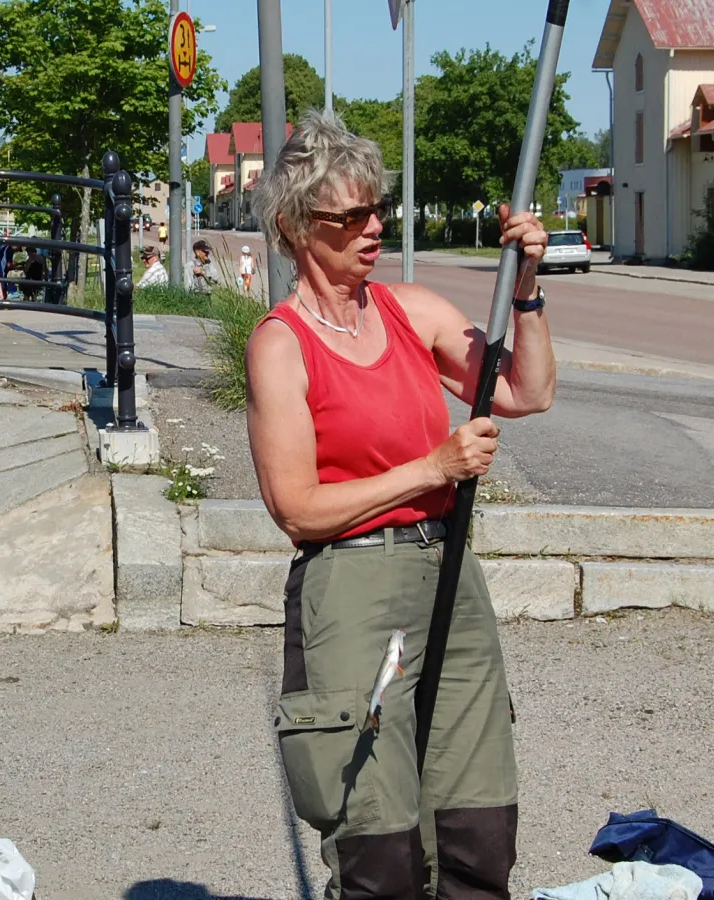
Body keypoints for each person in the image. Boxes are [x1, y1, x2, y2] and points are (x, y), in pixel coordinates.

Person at [244, 109, 553, 900]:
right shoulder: (281, 344)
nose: (372, 228)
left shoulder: (410, 311)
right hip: (350, 588)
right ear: (295, 227)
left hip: (445, 570)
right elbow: (298, 509)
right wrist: (431, 467)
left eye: (377, 208)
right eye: (350, 217)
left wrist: (527, 289)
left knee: (477, 823)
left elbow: (527, 390)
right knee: (379, 843)